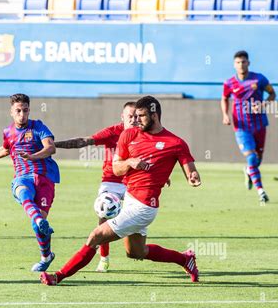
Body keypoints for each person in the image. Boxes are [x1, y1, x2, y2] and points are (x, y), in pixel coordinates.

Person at [40, 96, 201, 286]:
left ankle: (58, 276)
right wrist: (130, 163)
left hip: (144, 208)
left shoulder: (175, 143)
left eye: (141, 116)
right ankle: (185, 259)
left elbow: (190, 169)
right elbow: (116, 169)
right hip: (130, 200)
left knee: (95, 236)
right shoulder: (129, 135)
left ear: (154, 115)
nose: (136, 120)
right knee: (136, 253)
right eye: (134, 115)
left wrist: (192, 177)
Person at [0, 94, 59, 272]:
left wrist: (33, 156)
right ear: (11, 112)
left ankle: (46, 256)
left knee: (37, 226)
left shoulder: (38, 126)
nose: (22, 114)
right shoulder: (8, 132)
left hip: (44, 178)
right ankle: (38, 219)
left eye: (25, 110)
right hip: (23, 176)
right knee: (22, 191)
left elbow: (51, 148)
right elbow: (5, 149)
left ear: (29, 110)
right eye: (18, 111)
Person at [54, 102, 137, 272]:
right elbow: (85, 141)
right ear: (123, 117)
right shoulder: (113, 132)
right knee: (104, 211)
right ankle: (104, 258)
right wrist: (53, 144)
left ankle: (136, 249)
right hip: (111, 181)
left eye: (137, 116)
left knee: (134, 226)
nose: (134, 120)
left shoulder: (144, 134)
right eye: (130, 116)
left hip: (134, 182)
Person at [221, 50, 276, 203]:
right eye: (238, 62)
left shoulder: (259, 79)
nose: (241, 65)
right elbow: (224, 98)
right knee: (251, 157)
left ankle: (248, 171)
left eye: (243, 62)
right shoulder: (229, 83)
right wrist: (225, 115)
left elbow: (272, 94)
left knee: (257, 160)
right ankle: (261, 192)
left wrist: (264, 103)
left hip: (259, 125)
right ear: (234, 64)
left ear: (248, 63)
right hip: (241, 126)